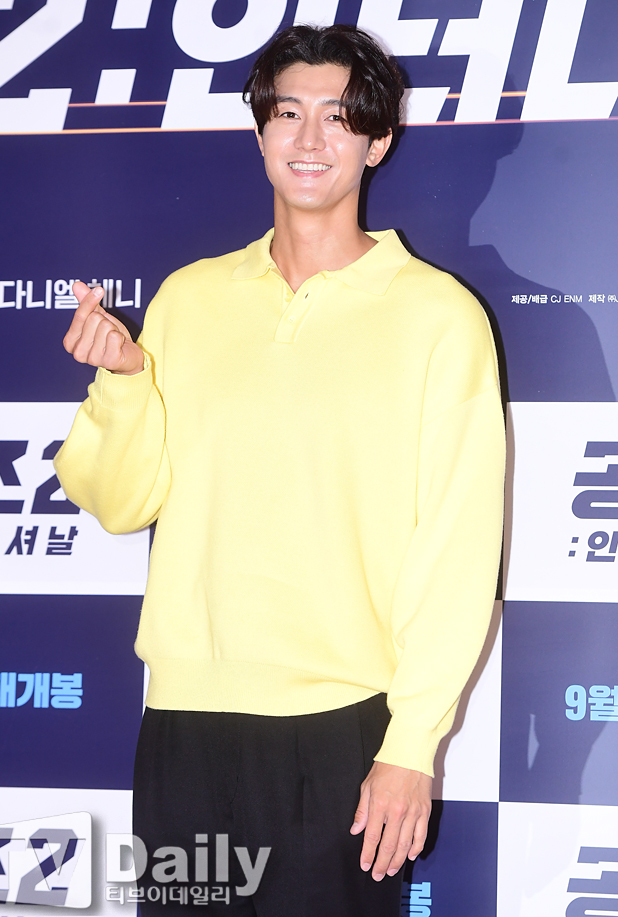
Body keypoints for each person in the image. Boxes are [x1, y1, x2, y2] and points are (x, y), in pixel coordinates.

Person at [54, 24, 505, 917]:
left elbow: (457, 550)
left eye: (339, 117)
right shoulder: (188, 299)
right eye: (288, 113)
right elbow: (119, 501)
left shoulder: (439, 318)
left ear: (379, 140)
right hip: (184, 728)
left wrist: (411, 743)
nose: (310, 139)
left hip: (342, 731)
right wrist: (123, 383)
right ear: (260, 131)